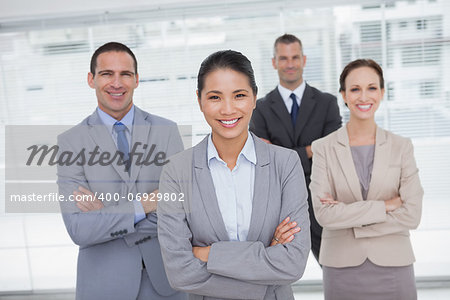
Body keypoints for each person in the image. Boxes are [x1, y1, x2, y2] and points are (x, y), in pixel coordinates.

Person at [157, 50, 311, 299]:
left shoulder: (286, 163)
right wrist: (265, 261)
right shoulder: (176, 172)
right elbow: (179, 272)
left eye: (239, 95)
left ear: (254, 98)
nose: (228, 109)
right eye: (215, 97)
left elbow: (292, 263)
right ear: (199, 101)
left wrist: (207, 254)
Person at [57, 42, 186, 300]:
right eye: (107, 74)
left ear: (136, 80)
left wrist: (105, 215)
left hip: (165, 282)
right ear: (91, 79)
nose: (117, 83)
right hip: (104, 284)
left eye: (125, 74)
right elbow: (79, 229)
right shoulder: (70, 142)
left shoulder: (167, 131)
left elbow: (179, 212)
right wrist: (144, 205)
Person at [309, 59, 423, 299]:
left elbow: (412, 214)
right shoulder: (324, 148)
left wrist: (349, 216)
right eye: (355, 89)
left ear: (382, 92)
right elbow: (324, 214)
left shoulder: (401, 147)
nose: (364, 97)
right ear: (343, 95)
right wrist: (386, 206)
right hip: (341, 265)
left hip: (394, 263)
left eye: (371, 88)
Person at [249, 33, 342, 262]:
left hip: (321, 196)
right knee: (273, 269)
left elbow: (332, 151)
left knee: (334, 266)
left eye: (295, 57)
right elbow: (263, 159)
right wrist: (310, 150)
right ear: (274, 62)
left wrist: (282, 152)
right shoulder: (258, 108)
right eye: (283, 58)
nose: (290, 64)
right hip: (277, 203)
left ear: (304, 59)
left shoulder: (327, 103)